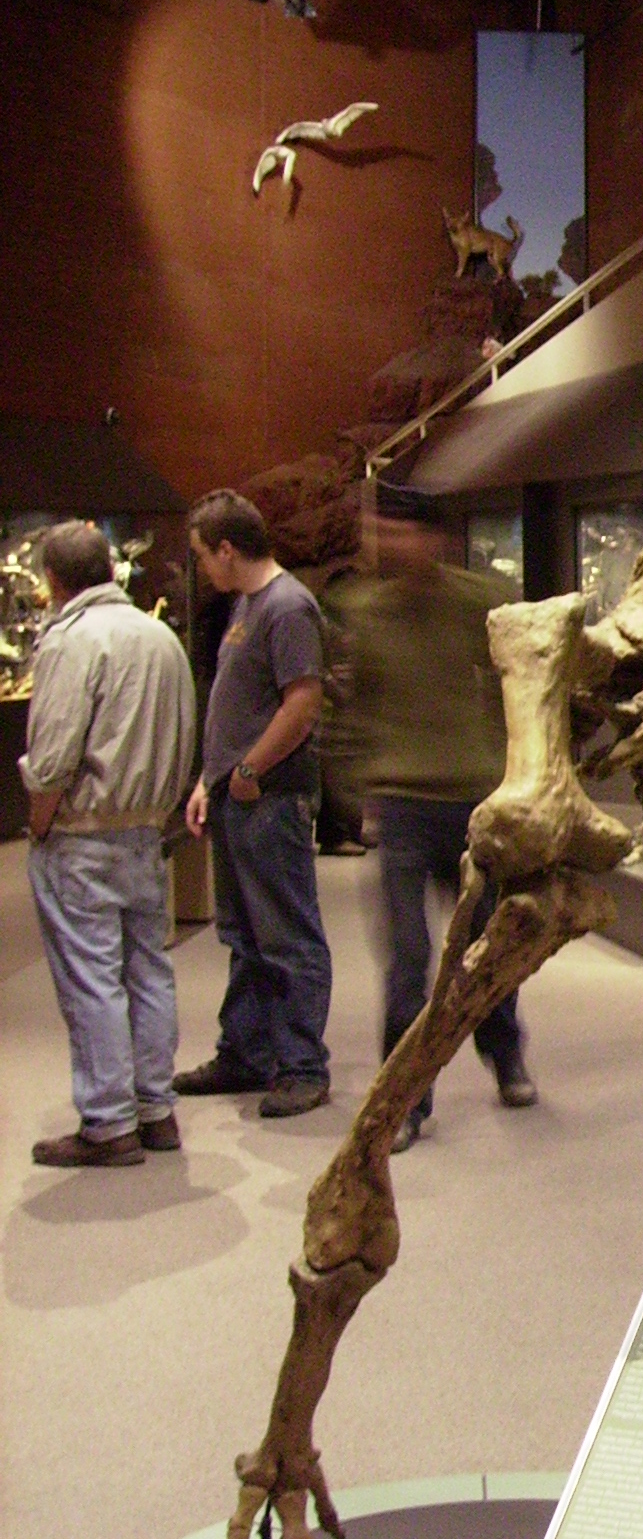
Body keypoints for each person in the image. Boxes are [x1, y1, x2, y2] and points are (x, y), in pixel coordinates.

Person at [327, 484, 536, 1144]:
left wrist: (516, 776)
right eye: (376, 532)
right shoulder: (361, 611)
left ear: (434, 538)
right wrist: (354, 795)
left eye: (396, 531)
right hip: (402, 808)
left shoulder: (483, 602)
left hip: (474, 805)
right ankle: (408, 1099)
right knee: (408, 960)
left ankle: (506, 1057)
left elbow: (523, 685)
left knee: (486, 951)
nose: (384, 545)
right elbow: (344, 711)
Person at [20, 522, 197, 1168]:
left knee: (92, 977)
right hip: (147, 829)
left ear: (54, 579)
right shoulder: (161, 639)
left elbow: (53, 755)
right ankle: (156, 1109)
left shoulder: (71, 640)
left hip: (84, 834)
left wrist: (40, 823)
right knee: (148, 970)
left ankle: (108, 1122)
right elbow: (184, 734)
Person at [175, 490, 334, 1117]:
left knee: (287, 935)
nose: (201, 570)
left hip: (270, 797)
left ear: (227, 549)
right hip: (238, 796)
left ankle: (301, 1065)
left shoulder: (288, 606)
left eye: (202, 557)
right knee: (244, 933)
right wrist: (207, 782)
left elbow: (302, 703)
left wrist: (247, 769)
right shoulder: (248, 605)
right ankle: (246, 1052)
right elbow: (237, 704)